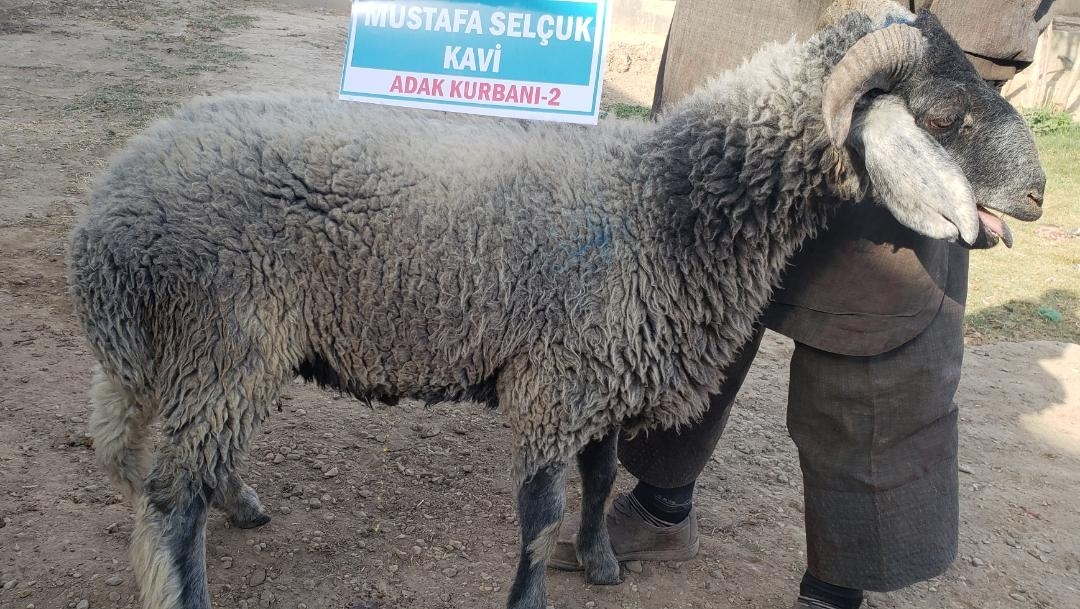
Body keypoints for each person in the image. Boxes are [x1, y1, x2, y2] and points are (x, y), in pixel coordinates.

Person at [550, 1, 1055, 607]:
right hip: (736, 59)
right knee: (692, 307)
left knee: (869, 327)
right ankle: (662, 507)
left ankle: (834, 589)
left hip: (888, 68)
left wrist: (955, 77)